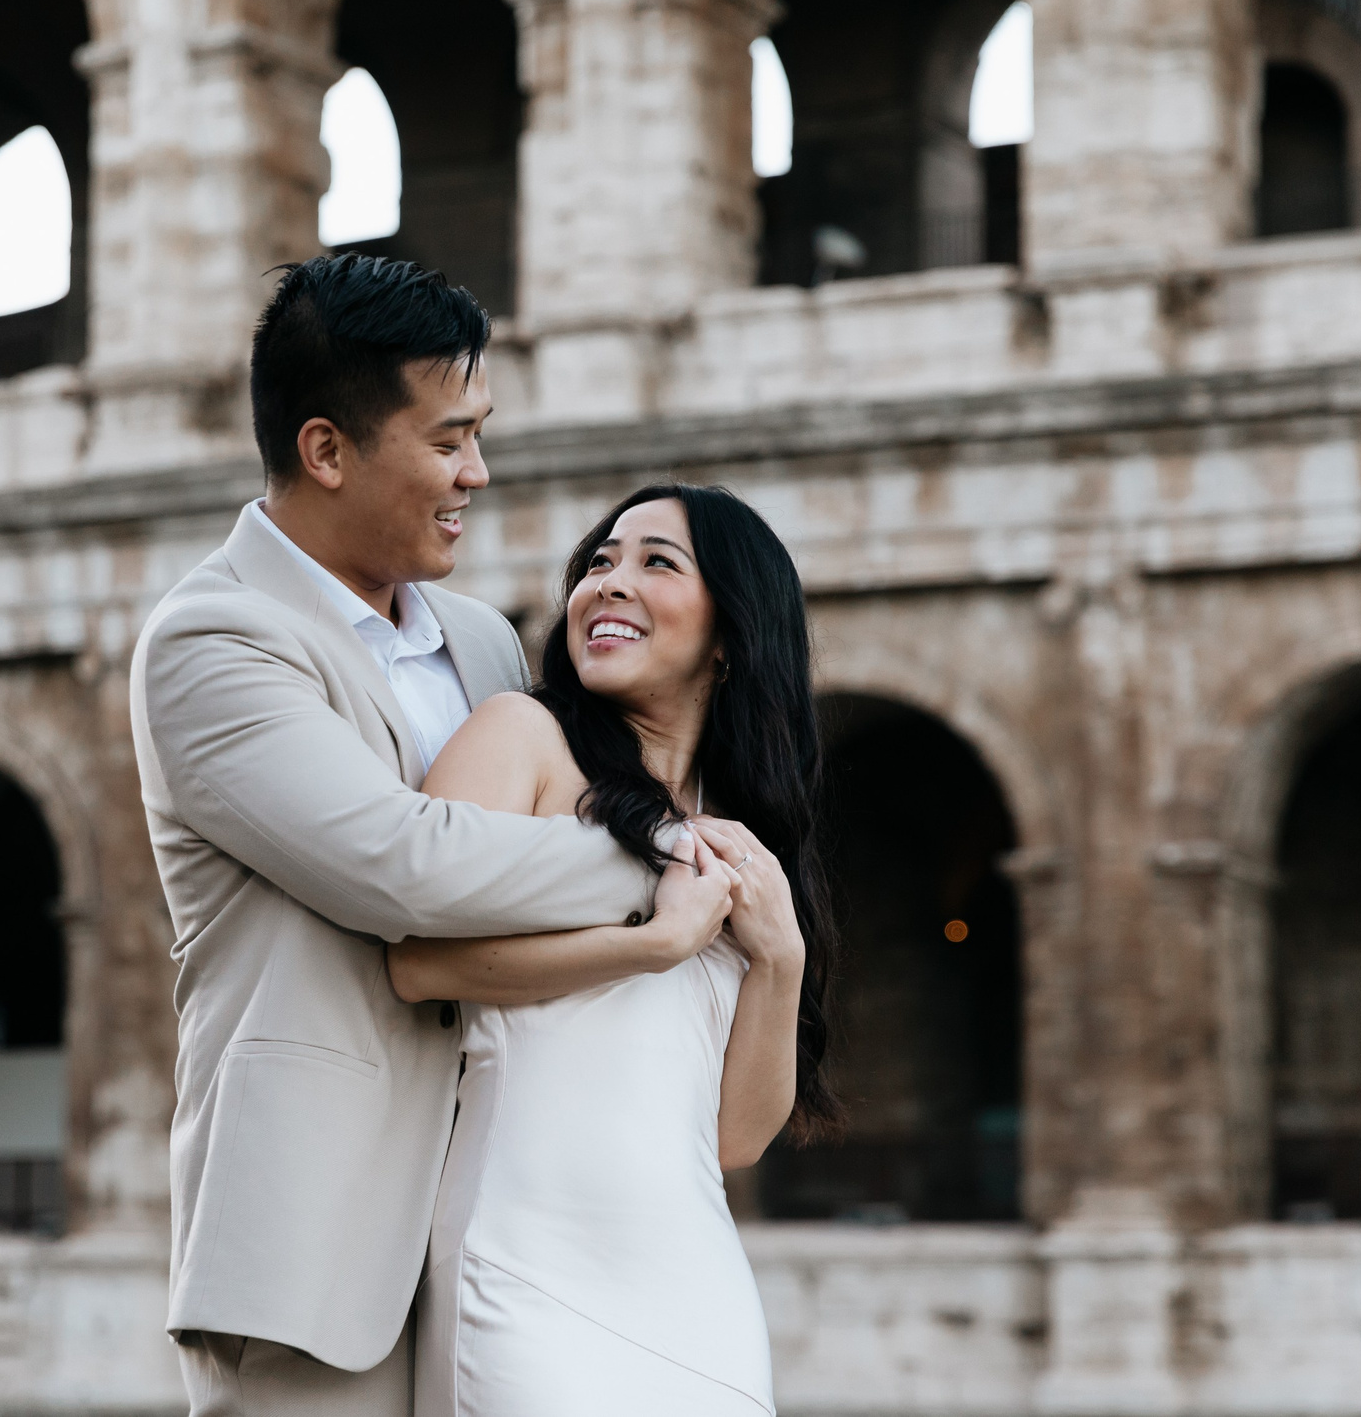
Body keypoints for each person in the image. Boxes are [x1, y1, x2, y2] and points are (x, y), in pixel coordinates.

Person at [133, 254, 730, 1416]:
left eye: (480, 432)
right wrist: (675, 858)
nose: (478, 471)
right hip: (319, 1236)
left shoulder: (483, 642)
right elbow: (405, 869)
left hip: (507, 1229)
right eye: (449, 439)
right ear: (326, 450)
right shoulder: (211, 640)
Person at [390, 483, 840, 1416]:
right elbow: (417, 961)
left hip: (696, 1290)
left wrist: (781, 959)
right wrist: (655, 942)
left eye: (655, 562)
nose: (608, 583)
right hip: (521, 1268)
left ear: (730, 632)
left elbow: (733, 1138)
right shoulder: (524, 735)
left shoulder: (744, 832)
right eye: (599, 562)